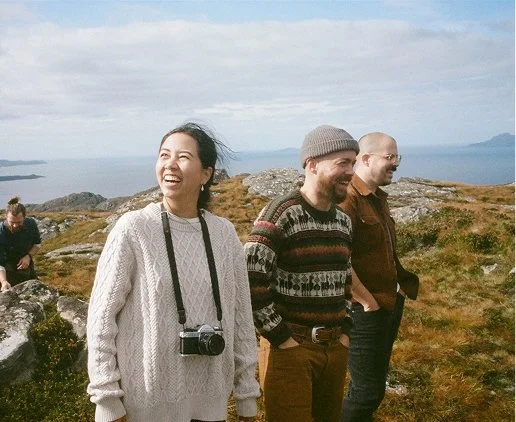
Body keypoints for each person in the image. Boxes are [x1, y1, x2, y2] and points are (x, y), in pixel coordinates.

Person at [87, 122, 260, 422]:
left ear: (206, 174)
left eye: (183, 157)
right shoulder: (133, 229)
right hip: (144, 407)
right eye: (164, 155)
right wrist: (107, 400)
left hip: (211, 405)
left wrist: (247, 395)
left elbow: (242, 319)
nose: (170, 164)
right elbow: (101, 318)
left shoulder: (224, 235)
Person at [245, 125, 358, 422]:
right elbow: (250, 277)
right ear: (311, 164)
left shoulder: (343, 222)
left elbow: (346, 280)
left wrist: (346, 330)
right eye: (342, 163)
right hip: (291, 349)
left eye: (353, 163)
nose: (350, 171)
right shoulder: (281, 213)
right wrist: (280, 337)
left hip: (334, 349)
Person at [339, 132, 419, 422]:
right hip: (365, 312)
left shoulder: (377, 199)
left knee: (373, 387)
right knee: (365, 392)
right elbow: (339, 259)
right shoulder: (348, 199)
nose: (396, 163)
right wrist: (367, 301)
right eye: (390, 157)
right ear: (366, 159)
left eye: (397, 157)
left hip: (387, 303)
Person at [0, 196, 41, 292]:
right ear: (6, 217)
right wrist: (4, 281)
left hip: (26, 267)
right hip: (5, 270)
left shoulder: (31, 224)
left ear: (24, 217)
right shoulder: (1, 232)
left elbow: (37, 244)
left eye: (19, 222)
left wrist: (28, 256)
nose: (15, 225)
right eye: (12, 222)